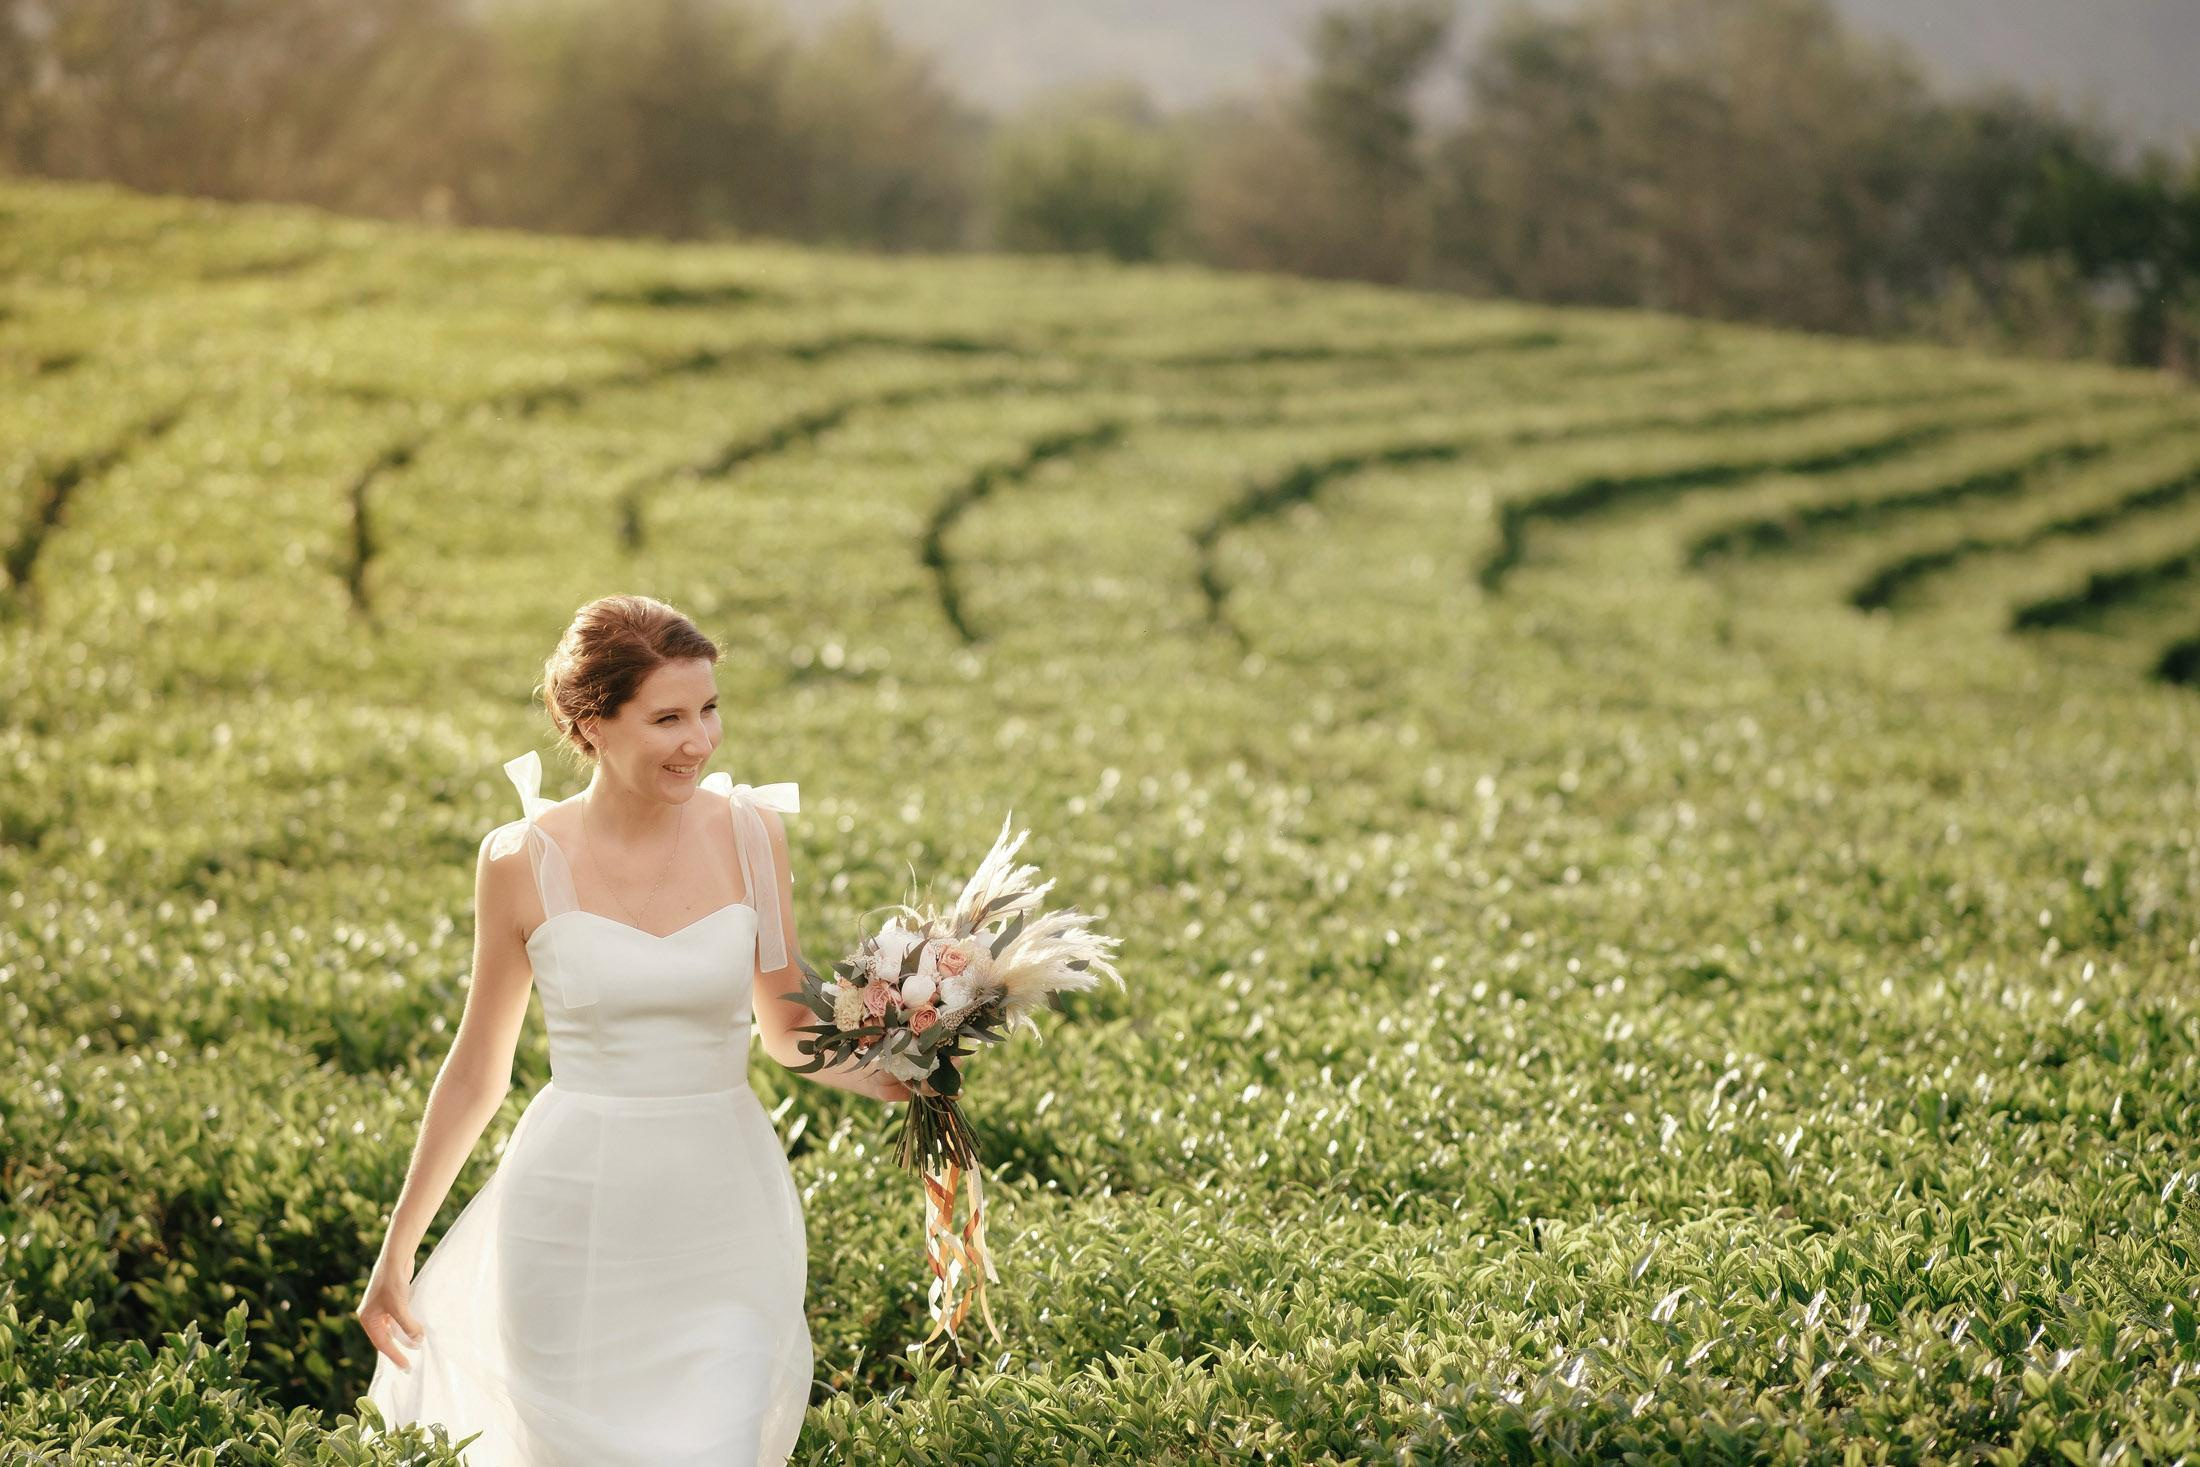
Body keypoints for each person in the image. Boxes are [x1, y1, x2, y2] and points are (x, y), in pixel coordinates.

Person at [355, 594, 920, 1465]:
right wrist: (397, 1251)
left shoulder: (752, 834)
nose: (701, 740)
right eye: (668, 718)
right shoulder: (519, 859)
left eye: (709, 709)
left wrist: (891, 1065)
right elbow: (477, 1069)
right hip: (570, 1222)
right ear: (592, 723)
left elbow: (784, 1021)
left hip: (723, 1214)